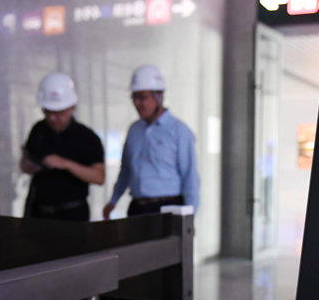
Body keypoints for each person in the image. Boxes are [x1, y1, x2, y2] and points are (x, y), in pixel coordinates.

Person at [103, 65, 199, 219]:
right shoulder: (134, 130)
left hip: (168, 208)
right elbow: (126, 170)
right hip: (137, 209)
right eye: (134, 97)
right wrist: (113, 200)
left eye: (142, 97)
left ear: (159, 95)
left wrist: (189, 219)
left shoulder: (179, 131)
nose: (137, 103)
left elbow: (190, 178)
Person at [21, 72, 105, 222]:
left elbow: (99, 177)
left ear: (72, 107)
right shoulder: (38, 130)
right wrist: (30, 166)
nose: (53, 118)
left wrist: (66, 164)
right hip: (40, 213)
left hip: (73, 215)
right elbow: (24, 161)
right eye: (48, 112)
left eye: (59, 113)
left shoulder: (87, 137)